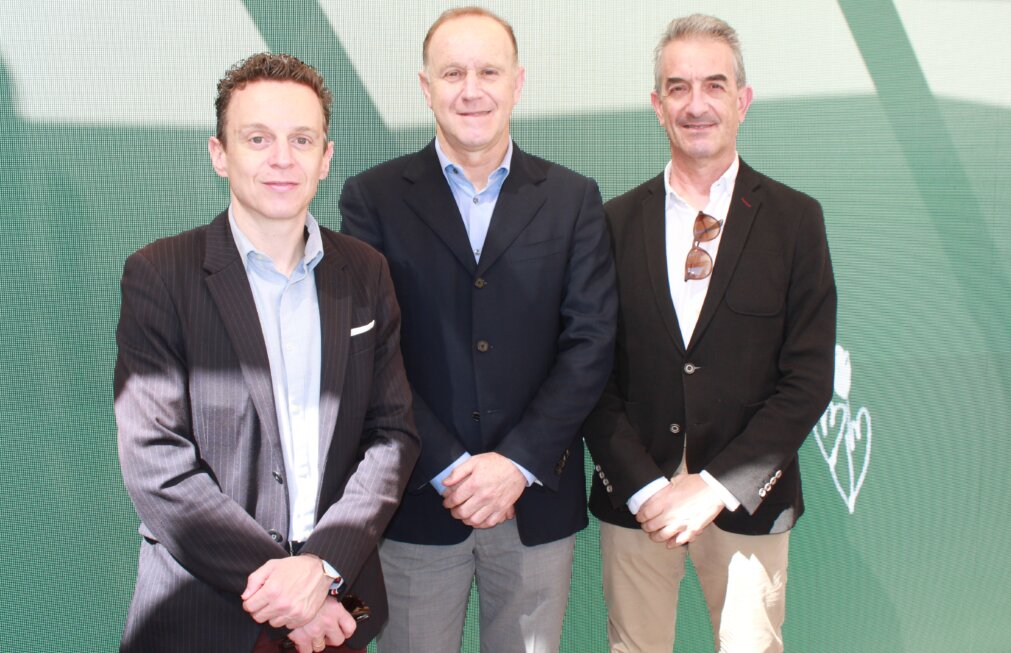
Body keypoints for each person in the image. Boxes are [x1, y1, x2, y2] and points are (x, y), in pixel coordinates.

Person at [114, 52, 420, 653]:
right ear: (219, 154)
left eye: (301, 139)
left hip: (338, 611)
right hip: (204, 615)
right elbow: (155, 460)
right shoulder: (160, 274)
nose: (282, 158)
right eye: (257, 138)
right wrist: (292, 592)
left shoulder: (365, 271)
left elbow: (392, 436)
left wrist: (324, 566)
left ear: (325, 157)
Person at [339, 7, 617, 653]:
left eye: (489, 72)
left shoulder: (573, 199)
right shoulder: (372, 199)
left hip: (534, 502)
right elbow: (370, 351)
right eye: (453, 73)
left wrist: (516, 463)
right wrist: (448, 466)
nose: (472, 90)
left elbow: (591, 342)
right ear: (425, 86)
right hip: (416, 500)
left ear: (517, 83)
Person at [583, 14, 837, 653]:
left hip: (750, 496)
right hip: (638, 497)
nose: (696, 105)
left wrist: (718, 485)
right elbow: (590, 372)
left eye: (714, 85)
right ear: (657, 106)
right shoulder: (612, 223)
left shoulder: (795, 221)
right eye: (678, 87)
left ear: (742, 101)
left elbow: (808, 380)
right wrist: (646, 486)